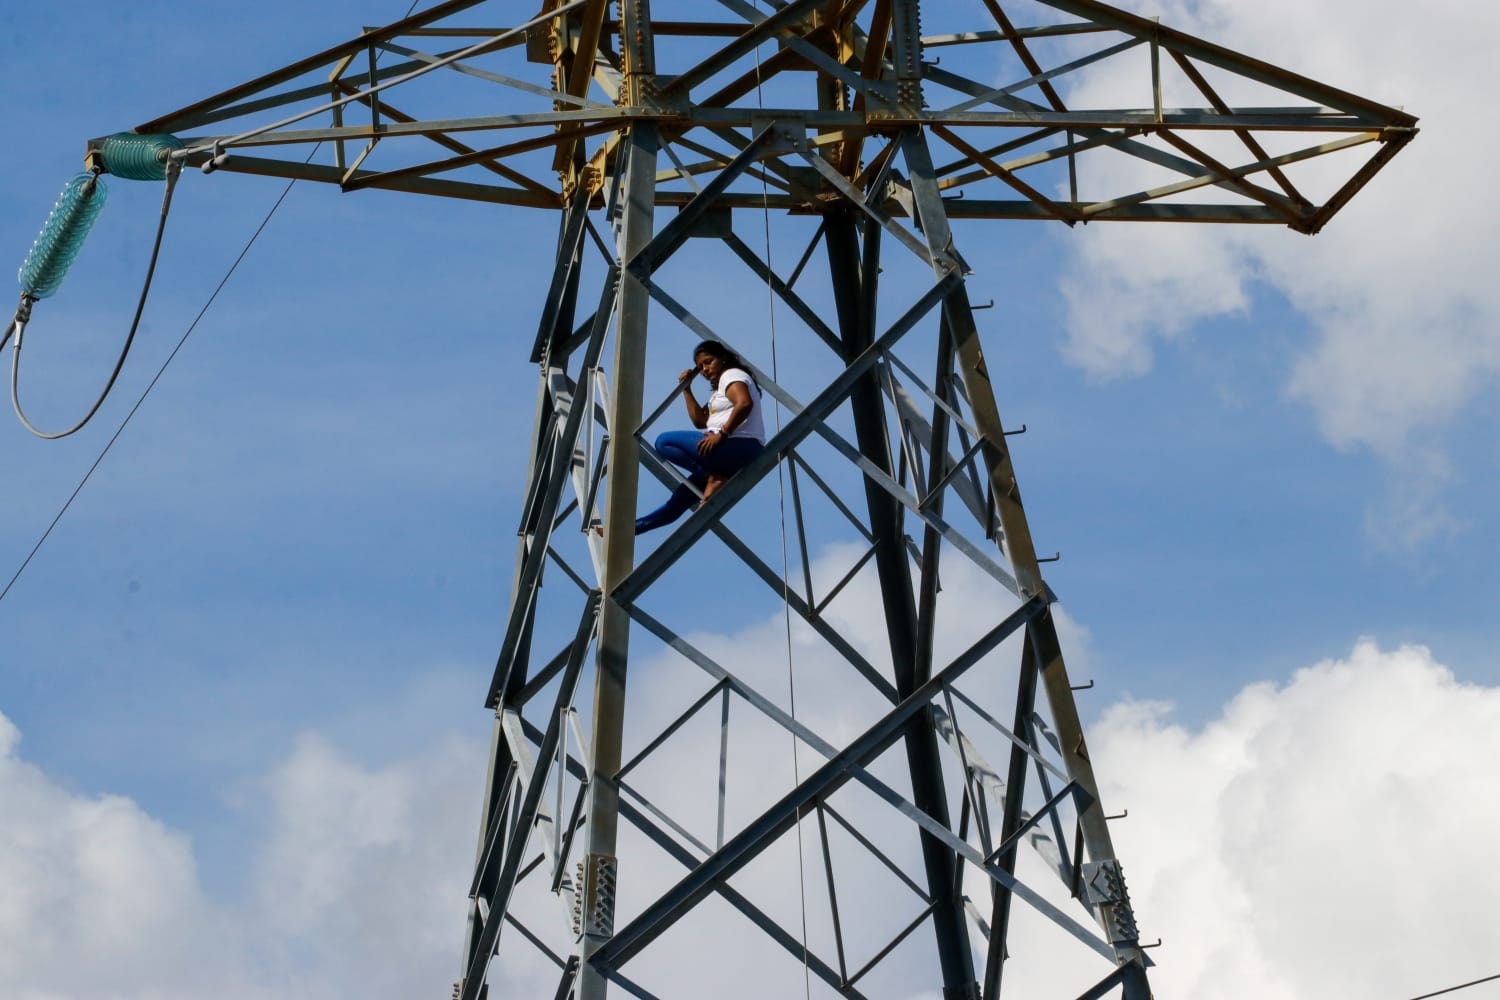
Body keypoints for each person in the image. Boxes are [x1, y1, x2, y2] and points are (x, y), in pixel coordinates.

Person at [635, 340, 765, 534]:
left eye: (709, 361)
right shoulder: (718, 393)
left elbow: (744, 404)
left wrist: (722, 434)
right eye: (700, 367)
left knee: (664, 442)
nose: (704, 369)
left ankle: (713, 476)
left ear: (722, 358)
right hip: (729, 454)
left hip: (738, 446)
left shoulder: (731, 375)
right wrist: (686, 388)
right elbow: (700, 421)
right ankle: (628, 530)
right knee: (678, 501)